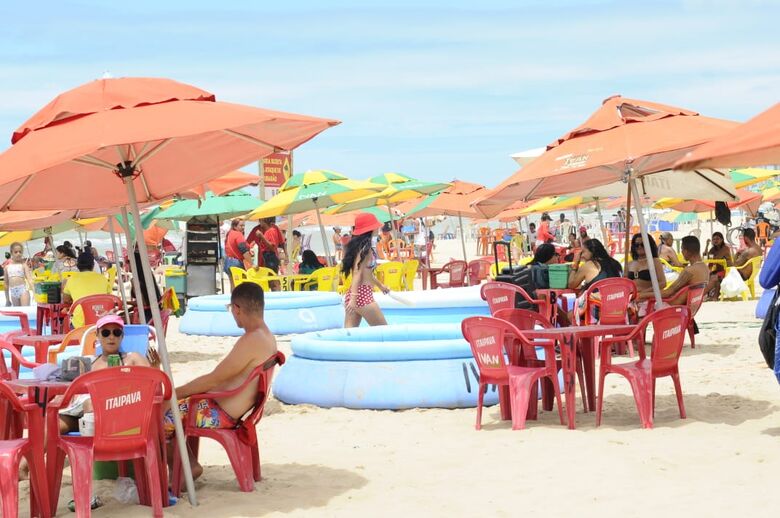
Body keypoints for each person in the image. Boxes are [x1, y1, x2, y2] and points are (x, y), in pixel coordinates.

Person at [165, 282, 277, 481]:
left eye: (231, 309)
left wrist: (173, 394)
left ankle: (185, 469)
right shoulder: (267, 336)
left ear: (237, 309)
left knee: (162, 418)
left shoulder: (251, 340)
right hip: (234, 409)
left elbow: (213, 379)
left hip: (221, 413)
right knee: (176, 406)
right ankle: (185, 465)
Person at [341, 213, 390, 328]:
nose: (378, 228)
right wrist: (354, 298)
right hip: (361, 295)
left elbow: (367, 274)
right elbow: (357, 274)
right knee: (384, 331)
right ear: (371, 229)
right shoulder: (366, 250)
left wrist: (381, 286)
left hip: (356, 294)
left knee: (349, 337)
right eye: (376, 226)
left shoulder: (361, 248)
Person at [639, 236, 709, 305]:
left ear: (687, 251)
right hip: (688, 307)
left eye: (682, 249)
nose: (681, 252)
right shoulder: (705, 268)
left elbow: (668, 292)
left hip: (672, 307)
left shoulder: (689, 270)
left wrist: (641, 295)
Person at [567, 238, 623, 324]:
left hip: (598, 311)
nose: (582, 255)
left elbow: (571, 284)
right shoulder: (616, 263)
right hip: (618, 309)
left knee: (570, 315)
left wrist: (575, 263)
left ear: (592, 252)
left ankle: (584, 337)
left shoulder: (589, 265)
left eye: (583, 252)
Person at [62, 252, 111, 328]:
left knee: (66, 322)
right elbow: (108, 298)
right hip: (101, 322)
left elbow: (66, 300)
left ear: (77, 265)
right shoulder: (103, 278)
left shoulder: (71, 279)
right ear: (93, 265)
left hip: (80, 325)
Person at [703, 231, 733, 300]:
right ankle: (713, 296)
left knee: (715, 277)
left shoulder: (725, 248)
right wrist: (707, 245)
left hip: (728, 271)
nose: (715, 241)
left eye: (717, 239)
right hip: (719, 270)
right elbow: (706, 257)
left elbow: (717, 258)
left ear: (722, 239)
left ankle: (701, 295)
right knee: (707, 276)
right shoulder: (713, 249)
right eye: (713, 239)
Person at [225, 219, 252, 290]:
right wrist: (252, 264)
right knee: (241, 287)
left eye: (244, 225)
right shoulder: (238, 234)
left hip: (228, 261)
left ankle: (233, 300)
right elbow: (243, 250)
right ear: (235, 226)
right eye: (241, 225)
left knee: (233, 286)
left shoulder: (229, 233)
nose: (243, 227)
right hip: (236, 263)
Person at [4, 242, 33, 306]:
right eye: (16, 252)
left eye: (20, 252)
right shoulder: (7, 267)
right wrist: (7, 299)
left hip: (23, 291)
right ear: (11, 253)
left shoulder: (24, 265)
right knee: (18, 313)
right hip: (13, 292)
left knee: (25, 311)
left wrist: (34, 292)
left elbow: (30, 279)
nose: (18, 254)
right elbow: (6, 284)